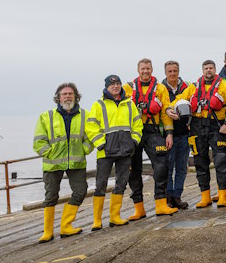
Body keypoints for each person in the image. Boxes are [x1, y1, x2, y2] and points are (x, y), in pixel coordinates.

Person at [34, 83, 93, 243]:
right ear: (58, 97)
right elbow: (38, 141)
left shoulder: (85, 115)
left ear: (76, 96)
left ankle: (66, 226)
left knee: (81, 192)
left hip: (76, 162)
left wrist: (85, 149)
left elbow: (91, 136)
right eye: (64, 94)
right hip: (52, 163)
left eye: (70, 94)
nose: (67, 96)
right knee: (51, 196)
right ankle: (48, 232)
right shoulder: (46, 116)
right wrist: (49, 153)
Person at [86, 75, 143, 231]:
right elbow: (91, 127)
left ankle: (115, 217)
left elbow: (137, 125)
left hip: (125, 150)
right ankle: (97, 220)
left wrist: (134, 141)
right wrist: (101, 143)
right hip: (105, 152)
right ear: (106, 87)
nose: (116, 87)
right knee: (100, 185)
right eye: (112, 85)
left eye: (118, 84)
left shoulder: (129, 104)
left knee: (121, 184)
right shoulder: (98, 105)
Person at [123, 58, 178, 220]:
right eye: (143, 69)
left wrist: (169, 133)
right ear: (138, 70)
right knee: (133, 169)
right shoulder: (127, 88)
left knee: (162, 165)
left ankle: (161, 204)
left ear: (152, 69)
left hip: (152, 131)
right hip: (133, 132)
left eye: (148, 68)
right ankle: (138, 208)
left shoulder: (160, 88)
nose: (145, 71)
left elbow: (165, 112)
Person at [174, 60, 226, 208]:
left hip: (217, 127)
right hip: (197, 126)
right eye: (206, 68)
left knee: (221, 161)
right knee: (200, 161)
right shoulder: (194, 87)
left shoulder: (224, 86)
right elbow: (179, 99)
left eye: (211, 68)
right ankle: (205, 196)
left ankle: (223, 196)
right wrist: (171, 108)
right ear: (202, 70)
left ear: (215, 69)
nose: (208, 71)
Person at [163, 60, 191, 210]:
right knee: (168, 167)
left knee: (181, 167)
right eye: (169, 71)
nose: (172, 74)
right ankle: (168, 197)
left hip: (184, 134)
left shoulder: (187, 87)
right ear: (165, 73)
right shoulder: (160, 89)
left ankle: (177, 196)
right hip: (168, 135)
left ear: (178, 72)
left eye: (175, 71)